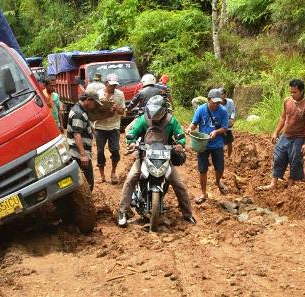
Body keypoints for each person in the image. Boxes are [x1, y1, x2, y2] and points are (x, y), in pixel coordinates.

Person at [118, 95, 196, 227]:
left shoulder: (171, 121)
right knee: (131, 179)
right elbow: (133, 131)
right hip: (145, 155)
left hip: (165, 156)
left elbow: (180, 135)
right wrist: (131, 142)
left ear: (163, 111)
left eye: (157, 113)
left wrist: (180, 144)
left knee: (179, 184)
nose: (154, 116)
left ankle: (187, 214)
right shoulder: (144, 119)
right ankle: (122, 212)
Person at [258, 79, 305, 190]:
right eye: (291, 92)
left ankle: (290, 185)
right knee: (278, 158)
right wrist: (276, 132)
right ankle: (273, 183)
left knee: (295, 161)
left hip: (299, 138)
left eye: (295, 92)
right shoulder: (287, 101)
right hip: (285, 135)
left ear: (302, 91)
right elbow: (283, 118)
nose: (292, 94)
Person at [186, 89, 229, 204]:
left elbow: (225, 127)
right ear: (208, 100)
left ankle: (218, 181)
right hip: (203, 145)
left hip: (217, 144)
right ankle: (203, 193)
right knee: (202, 169)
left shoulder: (223, 111)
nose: (216, 104)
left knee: (220, 168)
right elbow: (194, 123)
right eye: (214, 102)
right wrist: (190, 128)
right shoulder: (201, 110)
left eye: (218, 102)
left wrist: (216, 132)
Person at [67, 90, 103, 191]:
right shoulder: (78, 113)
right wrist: (83, 155)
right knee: (88, 183)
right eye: (94, 104)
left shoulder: (82, 110)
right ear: (88, 100)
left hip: (81, 153)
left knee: (86, 183)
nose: (95, 106)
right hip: (78, 154)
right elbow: (76, 134)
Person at [94, 73, 126, 184]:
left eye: (115, 85)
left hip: (114, 126)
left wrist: (117, 108)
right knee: (100, 151)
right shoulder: (98, 94)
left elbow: (123, 112)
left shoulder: (120, 94)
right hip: (100, 127)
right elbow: (94, 111)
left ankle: (113, 172)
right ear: (106, 83)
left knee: (115, 150)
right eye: (111, 85)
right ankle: (102, 176)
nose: (113, 87)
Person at [218, 88, 236, 157]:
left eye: (222, 94)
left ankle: (229, 157)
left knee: (229, 140)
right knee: (219, 140)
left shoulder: (230, 102)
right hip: (219, 122)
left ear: (225, 95)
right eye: (219, 94)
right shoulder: (217, 103)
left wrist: (232, 118)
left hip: (228, 122)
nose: (220, 96)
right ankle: (219, 156)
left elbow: (233, 111)